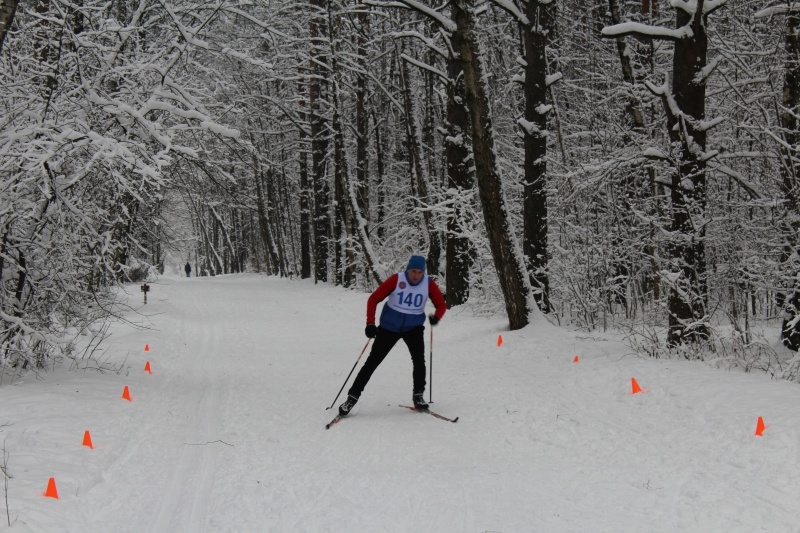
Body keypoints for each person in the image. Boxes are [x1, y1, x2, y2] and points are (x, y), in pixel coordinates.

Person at [338, 255, 446, 416]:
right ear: (407, 270)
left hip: (413, 328)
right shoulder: (396, 280)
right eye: (413, 271)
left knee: (419, 361)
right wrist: (370, 323)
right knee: (372, 362)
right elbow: (373, 299)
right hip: (389, 328)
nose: (416, 275)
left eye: (419, 272)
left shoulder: (428, 283)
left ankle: (418, 395)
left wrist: (436, 317)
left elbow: (441, 304)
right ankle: (352, 397)